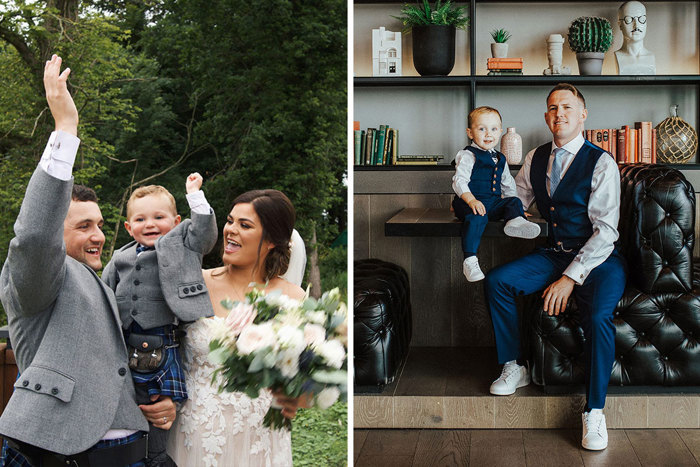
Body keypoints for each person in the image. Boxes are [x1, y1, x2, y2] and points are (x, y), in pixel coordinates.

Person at [0, 55, 176, 466]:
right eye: (83, 227)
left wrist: (156, 402)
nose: (98, 235)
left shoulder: (105, 278)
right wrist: (65, 130)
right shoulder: (36, 278)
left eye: (99, 224)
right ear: (55, 234)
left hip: (133, 452)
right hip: (57, 454)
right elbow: (34, 236)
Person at [485, 83, 627, 451]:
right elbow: (517, 197)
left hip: (599, 260)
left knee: (597, 318)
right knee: (498, 281)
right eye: (551, 108)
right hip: (553, 252)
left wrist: (569, 278)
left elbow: (607, 232)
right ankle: (515, 365)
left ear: (583, 114)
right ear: (546, 116)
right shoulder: (535, 157)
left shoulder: (602, 162)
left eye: (566, 107)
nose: (558, 113)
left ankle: (594, 411)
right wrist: (482, 197)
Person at [167, 189, 307, 466]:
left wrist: (299, 399)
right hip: (194, 434)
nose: (231, 230)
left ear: (270, 241)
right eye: (230, 221)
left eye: (245, 225)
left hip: (260, 437)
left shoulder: (294, 298)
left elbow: (304, 376)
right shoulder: (194, 284)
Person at [102, 176, 218, 466]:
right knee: (130, 401)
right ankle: (130, 455)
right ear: (129, 227)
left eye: (159, 217)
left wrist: (194, 194)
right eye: (140, 219)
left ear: (177, 220)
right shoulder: (120, 257)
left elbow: (204, 233)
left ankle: (156, 458)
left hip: (164, 346)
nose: (150, 224)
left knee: (159, 405)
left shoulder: (185, 245)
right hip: (126, 346)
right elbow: (103, 293)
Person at [452, 106, 541, 282]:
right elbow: (459, 181)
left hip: (491, 203)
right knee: (477, 217)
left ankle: (515, 221)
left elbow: (507, 184)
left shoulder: (501, 158)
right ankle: (470, 259)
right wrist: (471, 200)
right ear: (470, 133)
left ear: (500, 131)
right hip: (469, 203)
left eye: (493, 129)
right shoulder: (468, 155)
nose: (488, 134)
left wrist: (517, 209)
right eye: (481, 129)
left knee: (513, 201)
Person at [614, 1, 656, 75]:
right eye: (629, 20)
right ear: (620, 25)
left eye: (641, 19)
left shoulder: (651, 57)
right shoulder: (617, 56)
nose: (636, 25)